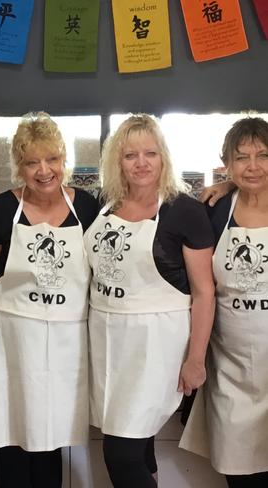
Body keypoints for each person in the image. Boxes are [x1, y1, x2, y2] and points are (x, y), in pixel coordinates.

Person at [84, 114, 215, 487]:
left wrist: (195, 359)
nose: (141, 163)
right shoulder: (105, 203)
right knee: (136, 447)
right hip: (109, 344)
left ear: (164, 158)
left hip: (157, 349)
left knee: (119, 453)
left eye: (150, 153)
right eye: (130, 155)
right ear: (117, 161)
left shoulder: (184, 211)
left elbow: (205, 292)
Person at [0, 112, 99, 488]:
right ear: (19, 166)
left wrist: (223, 186)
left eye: (52, 159)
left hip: (64, 343)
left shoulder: (88, 208)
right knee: (12, 433)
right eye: (32, 162)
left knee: (51, 434)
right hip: (9, 341)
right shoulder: (1, 210)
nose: (44, 170)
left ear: (64, 160)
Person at [180, 117, 268, 487]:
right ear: (227, 163)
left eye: (263, 155)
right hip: (230, 367)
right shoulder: (215, 210)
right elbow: (200, 288)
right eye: (242, 157)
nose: (253, 166)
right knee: (240, 474)